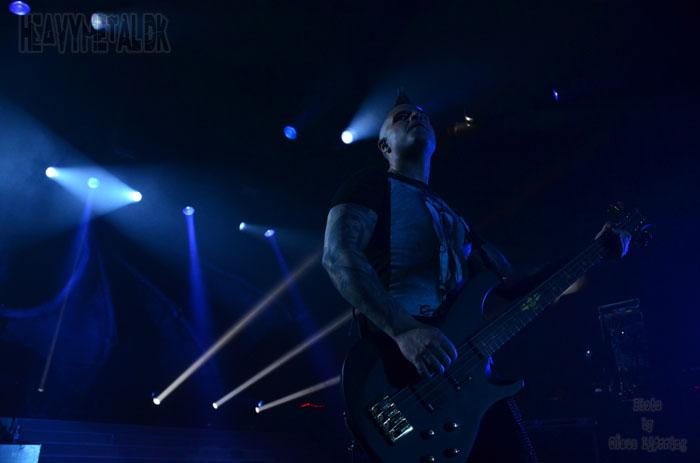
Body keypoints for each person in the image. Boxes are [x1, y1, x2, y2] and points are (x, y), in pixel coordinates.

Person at [322, 90, 630, 381]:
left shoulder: (456, 220)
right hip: (394, 367)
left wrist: (595, 252)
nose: (415, 117)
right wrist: (404, 331)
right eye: (402, 117)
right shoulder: (370, 185)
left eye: (422, 115)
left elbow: (516, 286)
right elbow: (337, 257)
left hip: (462, 370)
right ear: (384, 146)